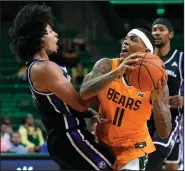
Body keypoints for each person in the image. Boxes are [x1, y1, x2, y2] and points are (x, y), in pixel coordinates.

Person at [9, 4, 114, 170]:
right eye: (50, 31)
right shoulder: (44, 68)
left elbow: (64, 103)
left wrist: (89, 112)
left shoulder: (39, 66)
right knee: (111, 166)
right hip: (69, 135)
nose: (56, 34)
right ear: (40, 39)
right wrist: (112, 83)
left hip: (62, 139)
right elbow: (80, 103)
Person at [80, 28, 172, 170]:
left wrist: (158, 102)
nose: (126, 42)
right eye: (127, 38)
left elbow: (164, 132)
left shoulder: (157, 83)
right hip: (103, 142)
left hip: (133, 147)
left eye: (133, 39)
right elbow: (84, 92)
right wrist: (116, 72)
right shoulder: (107, 65)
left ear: (146, 52)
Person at [146, 18, 184, 170]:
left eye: (161, 29)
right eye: (154, 29)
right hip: (146, 118)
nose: (156, 32)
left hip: (172, 118)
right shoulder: (145, 60)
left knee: (164, 160)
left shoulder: (181, 58)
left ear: (171, 34)